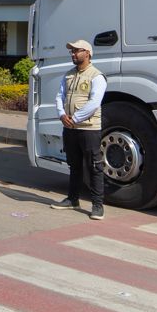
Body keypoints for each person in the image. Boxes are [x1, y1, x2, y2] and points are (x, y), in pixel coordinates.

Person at [52, 38, 107, 220]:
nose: (73, 54)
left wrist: (74, 119)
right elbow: (59, 96)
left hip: (88, 128)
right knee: (74, 164)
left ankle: (97, 205)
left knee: (94, 166)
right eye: (72, 51)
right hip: (70, 127)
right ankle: (72, 199)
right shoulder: (68, 75)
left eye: (77, 51)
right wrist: (62, 114)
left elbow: (94, 102)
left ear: (88, 53)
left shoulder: (97, 76)